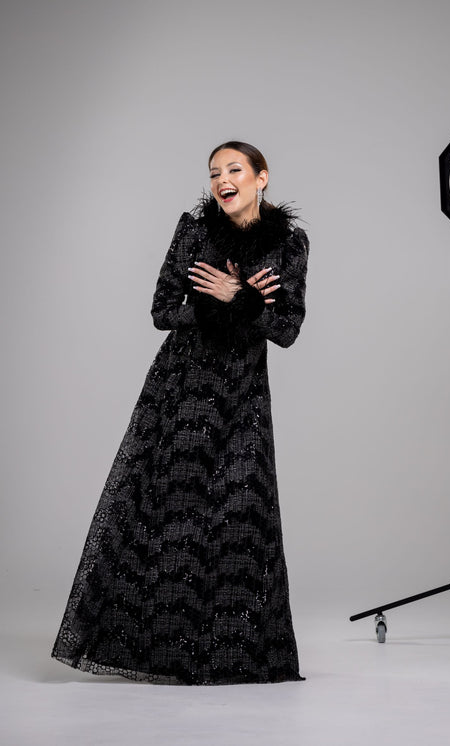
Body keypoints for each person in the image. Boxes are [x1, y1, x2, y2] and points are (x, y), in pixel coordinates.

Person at [50, 141, 309, 685]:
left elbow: (285, 329)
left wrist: (239, 297)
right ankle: (163, 652)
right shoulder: (194, 231)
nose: (222, 180)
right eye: (214, 173)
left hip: (243, 395)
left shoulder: (289, 243)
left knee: (242, 515)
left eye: (234, 169)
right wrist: (225, 302)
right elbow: (163, 311)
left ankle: (231, 653)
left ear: (262, 177)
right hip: (183, 389)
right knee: (176, 513)